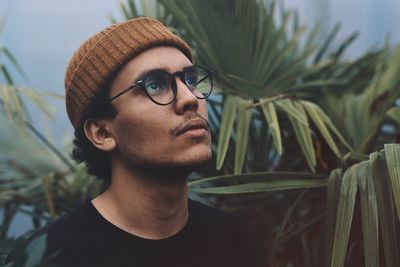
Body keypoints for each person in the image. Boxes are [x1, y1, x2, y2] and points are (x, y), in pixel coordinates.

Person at [6, 17, 266, 267]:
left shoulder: (237, 241)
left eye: (190, 80)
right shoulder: (48, 255)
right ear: (102, 133)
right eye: (155, 85)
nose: (190, 98)